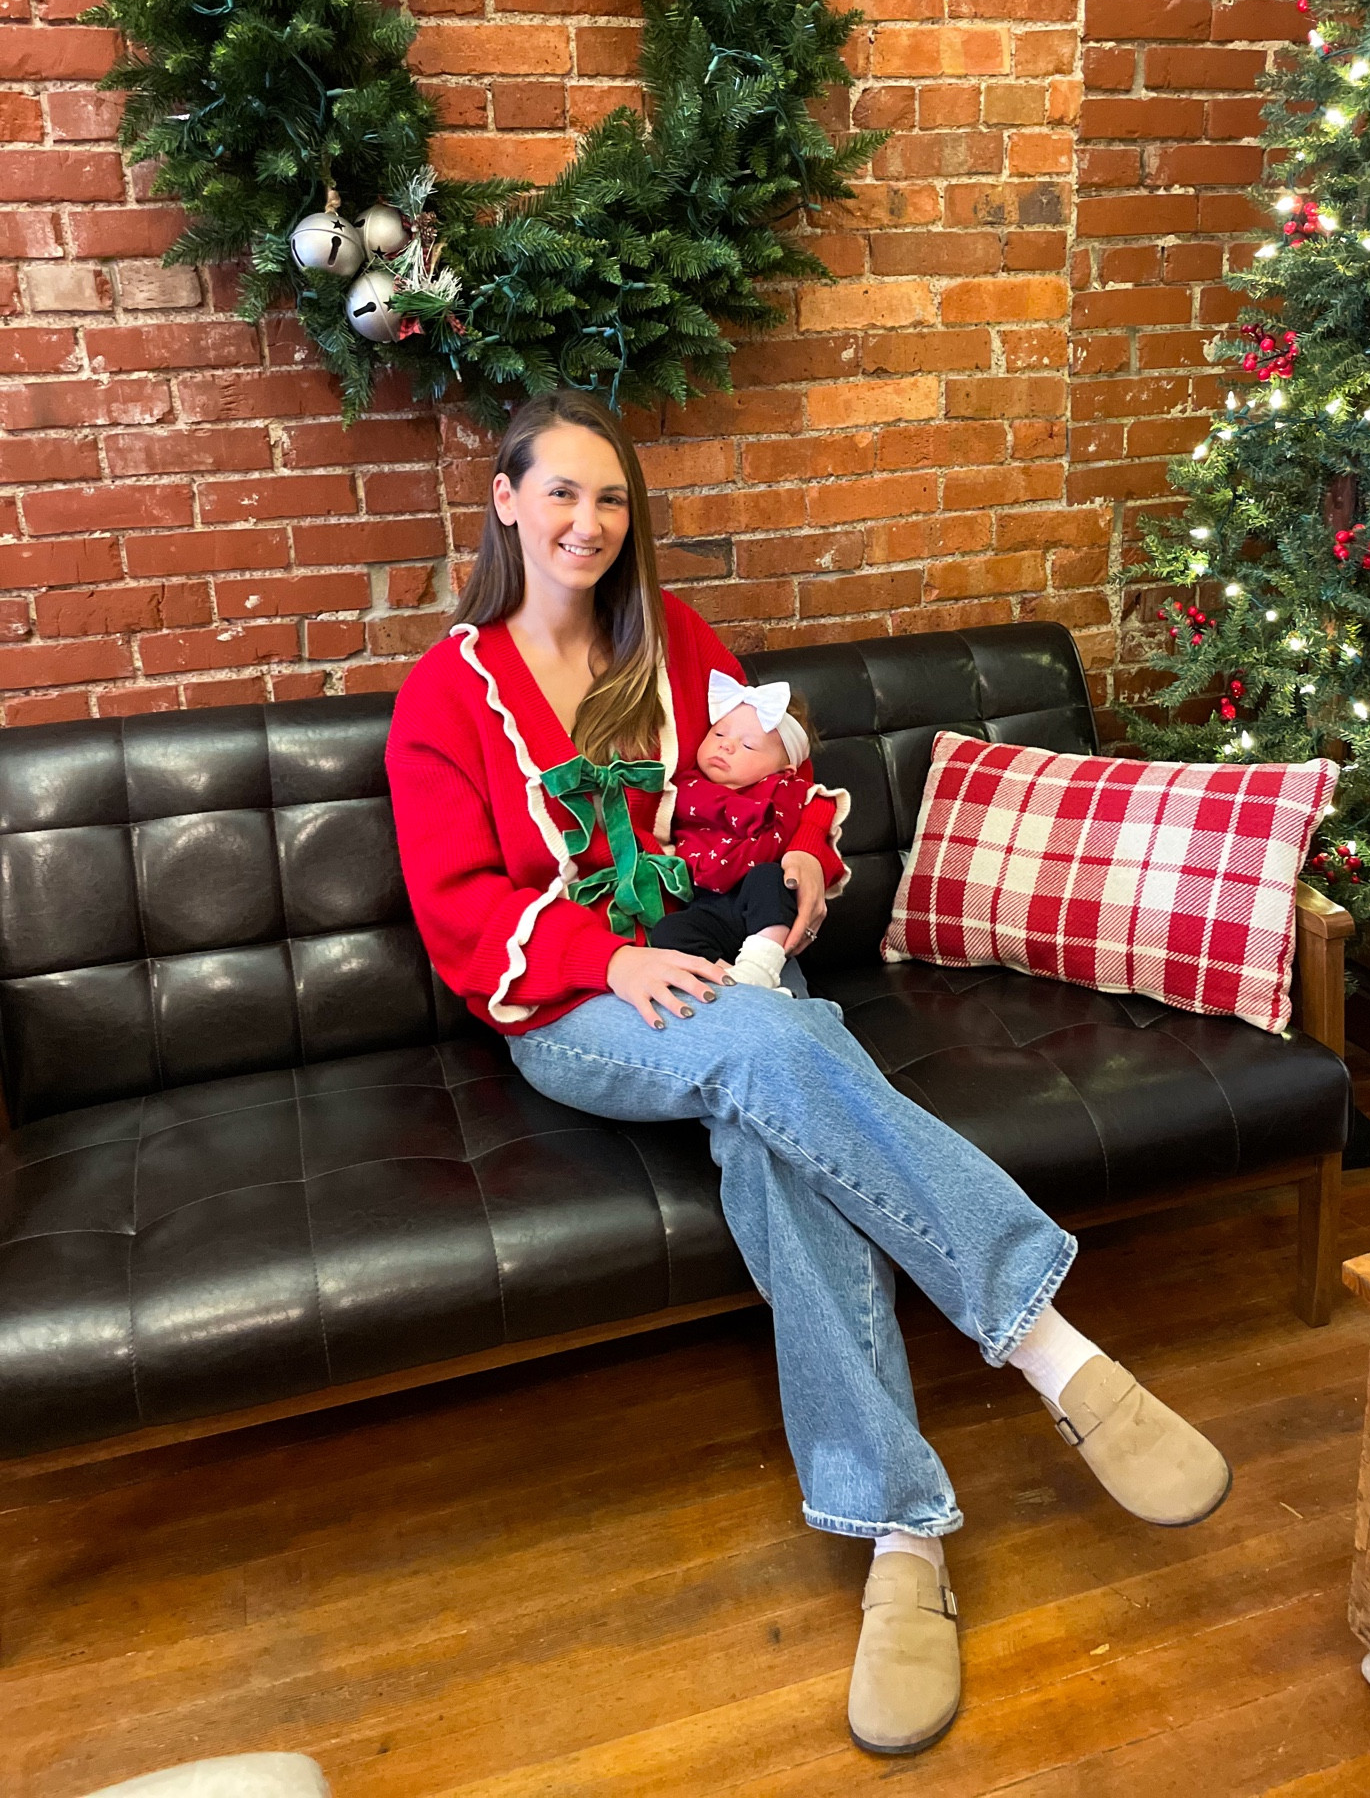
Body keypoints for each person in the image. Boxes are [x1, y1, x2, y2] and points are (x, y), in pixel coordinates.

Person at [386, 390, 1231, 1758]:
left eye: (612, 501)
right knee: (782, 1046)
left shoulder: (676, 648)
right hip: (567, 1006)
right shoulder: (449, 693)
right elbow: (455, 902)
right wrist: (610, 963)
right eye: (561, 495)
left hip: (736, 976)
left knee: (772, 1134)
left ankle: (902, 1535)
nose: (588, 524)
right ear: (505, 503)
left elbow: (783, 788)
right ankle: (1049, 1344)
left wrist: (804, 866)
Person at [648, 671, 847, 993]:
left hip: (764, 903)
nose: (726, 746)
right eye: (718, 734)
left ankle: (760, 968)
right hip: (707, 905)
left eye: (748, 745)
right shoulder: (683, 787)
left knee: (768, 878)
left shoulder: (783, 788)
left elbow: (821, 803)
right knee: (669, 931)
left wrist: (807, 846)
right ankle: (737, 981)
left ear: (784, 769)